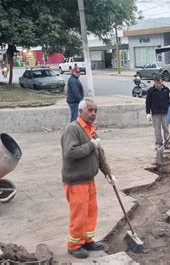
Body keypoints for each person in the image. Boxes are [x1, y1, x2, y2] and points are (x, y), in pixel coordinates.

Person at [61, 99, 105, 259]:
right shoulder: (73, 129)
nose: (93, 113)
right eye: (90, 110)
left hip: (89, 180)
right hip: (76, 181)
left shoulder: (91, 130)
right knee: (79, 215)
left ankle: (87, 240)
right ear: (80, 111)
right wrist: (91, 146)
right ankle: (74, 245)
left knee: (91, 212)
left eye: (95, 110)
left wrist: (108, 173)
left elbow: (100, 154)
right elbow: (70, 153)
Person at [145, 73, 170, 150]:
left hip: (165, 112)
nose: (159, 84)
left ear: (162, 81)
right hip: (155, 113)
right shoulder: (151, 91)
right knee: (157, 129)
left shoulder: (166, 90)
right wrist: (148, 113)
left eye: (160, 83)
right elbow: (148, 102)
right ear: (154, 82)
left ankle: (167, 144)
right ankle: (158, 144)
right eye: (157, 83)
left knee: (166, 128)